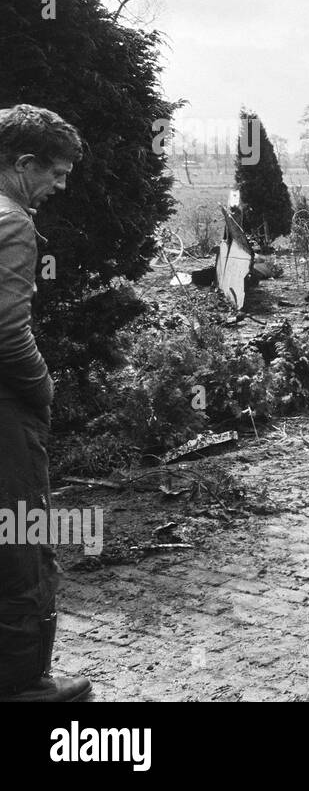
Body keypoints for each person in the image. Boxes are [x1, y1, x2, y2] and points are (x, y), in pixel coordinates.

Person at [0, 104, 89, 702]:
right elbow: (7, 329)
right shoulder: (12, 223)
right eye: (55, 173)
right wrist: (41, 385)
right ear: (23, 164)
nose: (60, 186)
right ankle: (23, 683)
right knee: (22, 537)